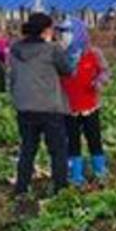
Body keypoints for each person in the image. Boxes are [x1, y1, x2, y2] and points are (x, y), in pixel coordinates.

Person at [10, 12, 73, 196]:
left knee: (27, 149)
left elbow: (13, 77)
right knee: (58, 150)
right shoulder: (52, 49)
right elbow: (67, 70)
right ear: (46, 30)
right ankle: (60, 189)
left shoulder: (15, 49)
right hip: (49, 107)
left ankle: (21, 188)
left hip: (24, 106)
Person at [59, 19, 111, 186]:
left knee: (94, 138)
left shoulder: (93, 53)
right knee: (72, 141)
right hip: (68, 107)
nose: (63, 36)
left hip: (90, 105)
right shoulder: (59, 55)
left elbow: (105, 71)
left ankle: (100, 171)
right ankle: (76, 176)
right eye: (61, 33)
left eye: (67, 32)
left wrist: (100, 81)